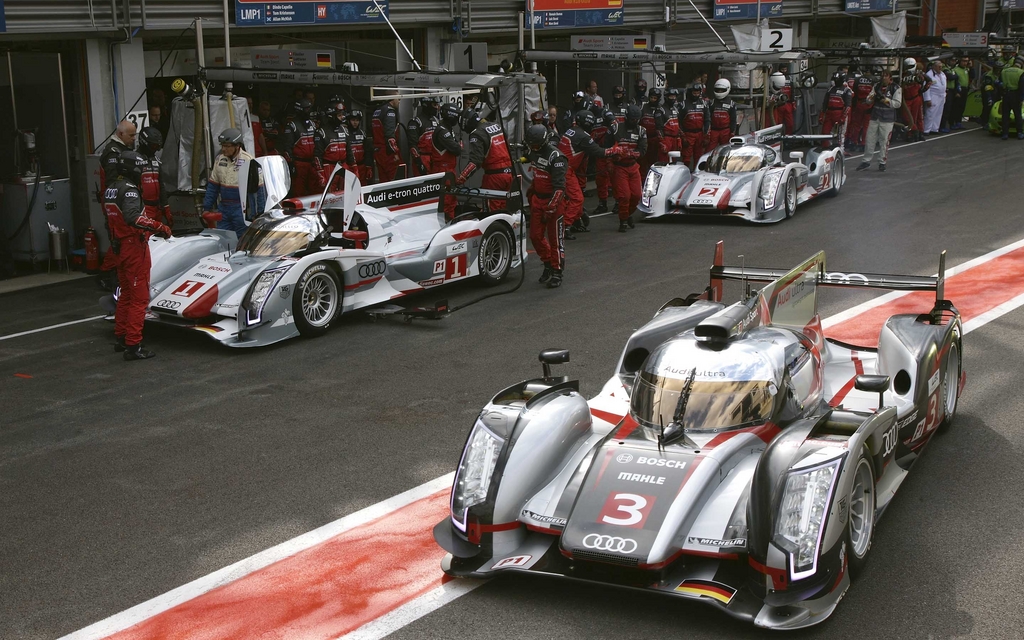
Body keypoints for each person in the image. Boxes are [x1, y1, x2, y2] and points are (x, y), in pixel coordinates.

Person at [104, 150, 171, 360]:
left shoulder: (110, 189)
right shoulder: (130, 191)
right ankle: (133, 345)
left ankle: (121, 337)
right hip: (133, 247)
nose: (142, 172)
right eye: (140, 169)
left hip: (118, 246)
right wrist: (159, 226)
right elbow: (133, 217)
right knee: (139, 299)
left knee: (125, 294)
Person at [558, 110, 620, 235]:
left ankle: (576, 221)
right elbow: (599, 152)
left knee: (572, 197)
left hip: (562, 168)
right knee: (577, 198)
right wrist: (615, 150)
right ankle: (565, 226)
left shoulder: (571, 130)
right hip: (565, 170)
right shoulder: (583, 136)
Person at [523, 124, 567, 288]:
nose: (532, 147)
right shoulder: (533, 151)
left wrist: (551, 207)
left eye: (535, 144)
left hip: (554, 202)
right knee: (535, 236)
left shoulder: (557, 158)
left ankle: (557, 271)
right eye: (531, 144)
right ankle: (548, 263)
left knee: (556, 239)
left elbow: (560, 188)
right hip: (537, 200)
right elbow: (535, 170)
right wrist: (533, 189)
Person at [203, 128, 265, 237]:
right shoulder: (219, 159)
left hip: (242, 209)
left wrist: (260, 214)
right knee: (223, 240)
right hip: (224, 207)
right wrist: (206, 208)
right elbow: (213, 187)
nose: (223, 149)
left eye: (227, 146)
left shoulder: (249, 161)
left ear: (237, 146)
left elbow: (259, 189)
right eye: (222, 145)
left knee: (243, 242)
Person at [456, 110, 513, 211]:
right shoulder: (496, 126)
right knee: (506, 211)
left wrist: (460, 178)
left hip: (494, 178)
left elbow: (475, 161)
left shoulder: (477, 134)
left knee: (491, 213)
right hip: (509, 174)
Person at [609, 105, 647, 233]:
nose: (634, 122)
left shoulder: (641, 131)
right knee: (625, 196)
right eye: (632, 119)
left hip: (633, 166)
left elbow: (643, 150)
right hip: (620, 168)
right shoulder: (615, 128)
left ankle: (627, 215)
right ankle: (623, 220)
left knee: (637, 195)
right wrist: (614, 154)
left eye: (636, 120)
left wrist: (630, 154)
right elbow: (605, 146)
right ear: (627, 118)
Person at [857, 70, 902, 172]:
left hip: (887, 119)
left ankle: (882, 162)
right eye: (882, 76)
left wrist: (885, 100)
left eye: (885, 76)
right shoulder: (877, 86)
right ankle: (866, 161)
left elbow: (897, 104)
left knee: (884, 141)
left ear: (890, 78)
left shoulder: (896, 88)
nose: (883, 78)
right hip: (875, 117)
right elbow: (868, 99)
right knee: (869, 139)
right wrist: (872, 97)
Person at [279, 99, 321, 196]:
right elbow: (287, 147)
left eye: (309, 108)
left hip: (312, 163)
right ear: (300, 109)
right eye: (306, 109)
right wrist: (291, 164)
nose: (309, 111)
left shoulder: (313, 124)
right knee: (299, 191)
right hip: (299, 164)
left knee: (315, 190)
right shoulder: (292, 125)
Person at [431, 104, 463, 220]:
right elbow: (457, 149)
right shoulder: (442, 131)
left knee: (452, 202)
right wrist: (458, 146)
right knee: (445, 204)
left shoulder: (448, 129)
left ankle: (451, 226)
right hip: (442, 171)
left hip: (449, 171)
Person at [137, 127, 171, 227]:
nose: (156, 149)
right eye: (154, 146)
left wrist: (166, 206)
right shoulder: (134, 160)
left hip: (157, 208)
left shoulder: (156, 160)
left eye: (158, 146)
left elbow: (161, 184)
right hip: (143, 208)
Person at [315, 99, 348, 189]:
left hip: (343, 165)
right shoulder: (321, 132)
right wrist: (320, 173)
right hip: (328, 167)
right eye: (339, 115)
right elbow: (317, 156)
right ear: (331, 116)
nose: (342, 117)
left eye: (342, 115)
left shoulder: (344, 130)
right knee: (330, 196)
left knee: (346, 193)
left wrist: (354, 168)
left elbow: (349, 151)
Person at [678, 83, 710, 170]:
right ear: (690, 92)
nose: (695, 94)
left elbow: (707, 120)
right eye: (694, 93)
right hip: (688, 134)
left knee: (699, 157)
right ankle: (684, 175)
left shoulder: (704, 104)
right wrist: (683, 136)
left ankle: (697, 175)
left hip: (699, 134)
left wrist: (706, 135)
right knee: (686, 159)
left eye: (697, 93)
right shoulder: (682, 105)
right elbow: (678, 121)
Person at [372, 94, 401, 182]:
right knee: (394, 181)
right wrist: (395, 153)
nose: (399, 101)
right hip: (387, 152)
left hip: (378, 151)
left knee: (383, 181)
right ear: (392, 99)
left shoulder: (377, 111)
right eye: (398, 99)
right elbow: (389, 136)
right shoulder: (390, 111)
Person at [591, 108, 615, 215]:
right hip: (599, 152)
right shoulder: (587, 116)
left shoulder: (604, 112)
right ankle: (602, 203)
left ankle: (619, 202)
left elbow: (614, 123)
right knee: (600, 179)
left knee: (615, 178)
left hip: (611, 151)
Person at [407, 97, 440, 176]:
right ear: (427, 104)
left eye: (437, 105)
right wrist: (419, 162)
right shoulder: (416, 122)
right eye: (434, 105)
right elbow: (412, 145)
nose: (436, 107)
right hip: (422, 159)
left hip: (435, 159)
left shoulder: (436, 120)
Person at [819, 72, 852, 147]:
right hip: (829, 113)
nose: (834, 81)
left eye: (836, 79)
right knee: (825, 132)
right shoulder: (830, 89)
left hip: (840, 113)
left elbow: (848, 106)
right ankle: (825, 148)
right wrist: (822, 114)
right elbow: (825, 103)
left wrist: (843, 117)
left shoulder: (846, 90)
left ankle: (840, 150)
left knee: (840, 135)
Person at [639, 87, 666, 176]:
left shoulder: (661, 109)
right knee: (642, 162)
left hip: (655, 139)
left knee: (654, 162)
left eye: (655, 98)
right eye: (651, 98)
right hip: (643, 139)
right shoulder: (643, 107)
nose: (653, 100)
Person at [846, 70, 874, 151]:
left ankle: (854, 142)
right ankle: (863, 143)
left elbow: (854, 93)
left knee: (857, 125)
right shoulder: (874, 79)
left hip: (859, 103)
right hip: (869, 104)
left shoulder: (858, 79)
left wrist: (854, 105)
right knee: (866, 126)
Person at [344, 110, 374, 184]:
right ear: (348, 120)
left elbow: (368, 151)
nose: (355, 122)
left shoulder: (362, 133)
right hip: (349, 166)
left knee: (363, 187)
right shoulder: (345, 133)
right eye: (353, 120)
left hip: (362, 166)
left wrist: (368, 166)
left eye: (357, 120)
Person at [707, 79, 738, 150]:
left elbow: (733, 119)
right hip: (713, 130)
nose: (719, 92)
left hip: (725, 131)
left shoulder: (731, 103)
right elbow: (707, 118)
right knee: (710, 150)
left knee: (725, 149)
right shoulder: (711, 103)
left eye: (721, 90)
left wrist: (732, 132)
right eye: (718, 90)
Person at [901, 58, 925, 142]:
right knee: (907, 117)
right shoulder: (902, 75)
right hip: (906, 99)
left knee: (918, 117)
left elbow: (928, 80)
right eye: (908, 66)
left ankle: (920, 133)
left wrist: (922, 88)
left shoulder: (918, 74)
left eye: (911, 66)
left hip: (916, 98)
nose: (909, 68)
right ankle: (913, 132)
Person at [1000, 56, 1024, 140]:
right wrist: (1021, 98)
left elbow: (1000, 83)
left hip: (1006, 95)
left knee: (1005, 115)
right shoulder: (1021, 72)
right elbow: (1022, 87)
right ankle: (1020, 133)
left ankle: (1005, 133)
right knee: (1017, 115)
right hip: (1016, 95)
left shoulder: (1004, 71)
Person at [923, 61, 946, 135]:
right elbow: (926, 87)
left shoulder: (942, 74)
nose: (940, 68)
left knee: (938, 113)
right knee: (930, 113)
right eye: (939, 66)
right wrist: (927, 99)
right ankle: (926, 129)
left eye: (941, 66)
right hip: (933, 95)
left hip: (941, 96)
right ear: (934, 67)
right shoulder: (929, 75)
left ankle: (934, 128)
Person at [659, 88, 681, 164]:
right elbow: (659, 128)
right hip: (666, 138)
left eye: (674, 97)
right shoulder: (661, 110)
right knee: (664, 161)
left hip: (675, 138)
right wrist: (662, 142)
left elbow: (678, 125)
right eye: (671, 97)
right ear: (666, 97)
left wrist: (678, 138)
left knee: (675, 162)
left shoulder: (676, 109)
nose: (673, 99)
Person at [981, 61, 1004, 128]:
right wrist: (989, 98)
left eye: (1000, 69)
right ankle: (984, 122)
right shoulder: (989, 75)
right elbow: (987, 87)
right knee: (988, 106)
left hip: (997, 91)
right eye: (997, 69)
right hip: (988, 91)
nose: (998, 71)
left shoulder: (1002, 74)